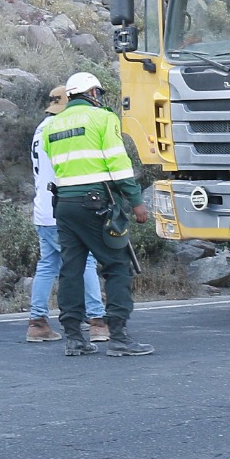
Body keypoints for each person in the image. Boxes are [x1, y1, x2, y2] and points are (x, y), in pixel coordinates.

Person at [40, 72, 152, 357]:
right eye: (98, 93)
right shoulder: (103, 118)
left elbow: (56, 163)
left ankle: (74, 338)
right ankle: (119, 337)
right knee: (117, 266)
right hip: (96, 203)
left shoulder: (52, 125)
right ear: (91, 93)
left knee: (71, 270)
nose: (99, 98)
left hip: (64, 205)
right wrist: (136, 201)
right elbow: (118, 163)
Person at [28, 86, 107, 343]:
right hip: (61, 208)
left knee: (47, 264)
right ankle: (97, 320)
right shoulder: (60, 129)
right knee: (86, 261)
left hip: (42, 209)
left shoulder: (40, 129)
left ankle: (37, 322)